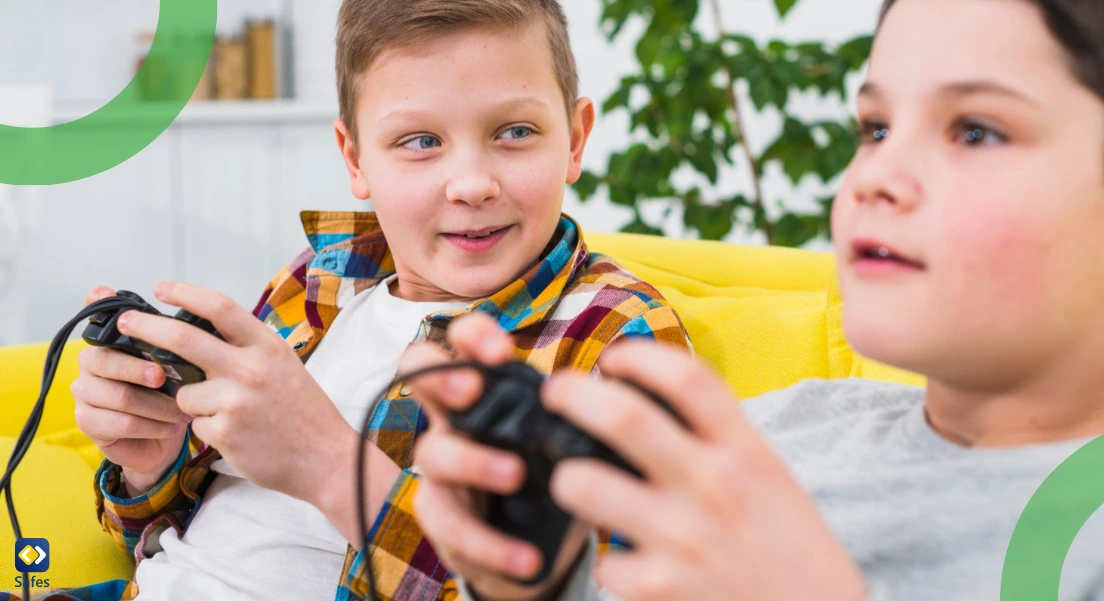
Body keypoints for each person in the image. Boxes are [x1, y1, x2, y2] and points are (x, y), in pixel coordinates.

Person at [406, 1, 1104, 600]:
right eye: (876, 127)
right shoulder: (776, 433)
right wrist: (533, 573)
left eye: (976, 131)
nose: (874, 176)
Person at [19, 2, 689, 600]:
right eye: (420, 142)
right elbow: (181, 526)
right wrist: (151, 461)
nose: (472, 183)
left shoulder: (614, 334)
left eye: (514, 131)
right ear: (355, 158)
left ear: (574, 138)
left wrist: (333, 468)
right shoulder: (316, 283)